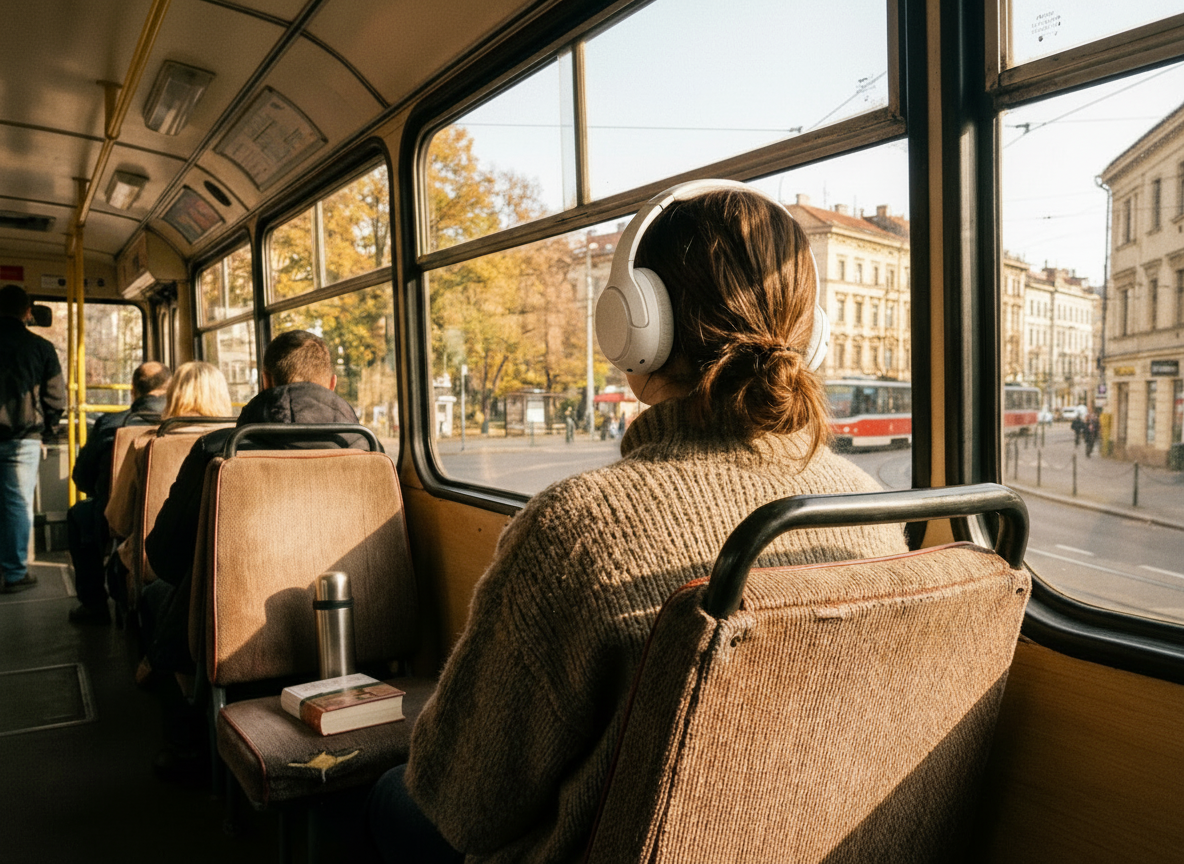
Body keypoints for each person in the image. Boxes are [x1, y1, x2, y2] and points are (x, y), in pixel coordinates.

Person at [368, 182, 907, 863]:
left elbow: (463, 800)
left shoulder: (579, 528)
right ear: (813, 333)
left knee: (393, 793)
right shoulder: (872, 510)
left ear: (634, 323)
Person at [141, 330, 367, 781]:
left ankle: (189, 747)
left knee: (156, 597)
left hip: (233, 630)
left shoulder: (218, 451)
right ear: (333, 384)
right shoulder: (366, 449)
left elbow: (165, 555)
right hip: (347, 621)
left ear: (264, 381)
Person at [105, 361, 232, 589]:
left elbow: (118, 521)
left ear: (173, 395)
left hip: (156, 564)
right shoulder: (236, 444)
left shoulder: (147, 444)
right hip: (223, 561)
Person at [66, 361, 171, 623]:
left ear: (133, 389)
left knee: (80, 516)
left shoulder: (112, 423)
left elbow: (82, 477)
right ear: (168, 387)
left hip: (118, 511)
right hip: (171, 509)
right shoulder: (180, 422)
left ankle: (93, 603)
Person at [0, 284, 65, 594]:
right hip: (23, 437)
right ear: (27, 312)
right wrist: (48, 431)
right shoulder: (40, 347)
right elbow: (55, 398)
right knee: (16, 503)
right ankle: (13, 573)